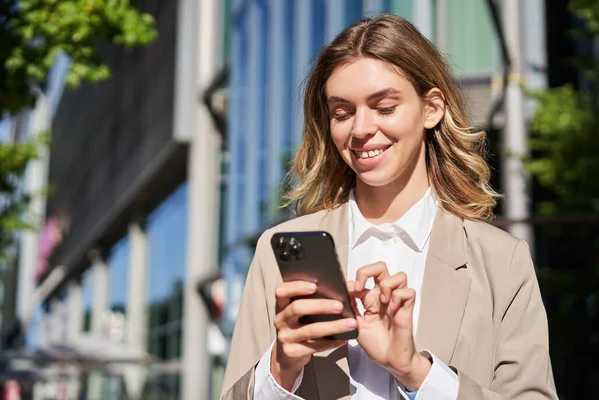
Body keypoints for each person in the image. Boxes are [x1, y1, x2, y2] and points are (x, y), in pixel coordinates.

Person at [220, 13, 557, 400]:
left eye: (384, 107)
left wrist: (416, 372)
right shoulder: (279, 249)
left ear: (431, 108)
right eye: (342, 113)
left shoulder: (501, 260)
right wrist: (281, 370)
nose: (360, 129)